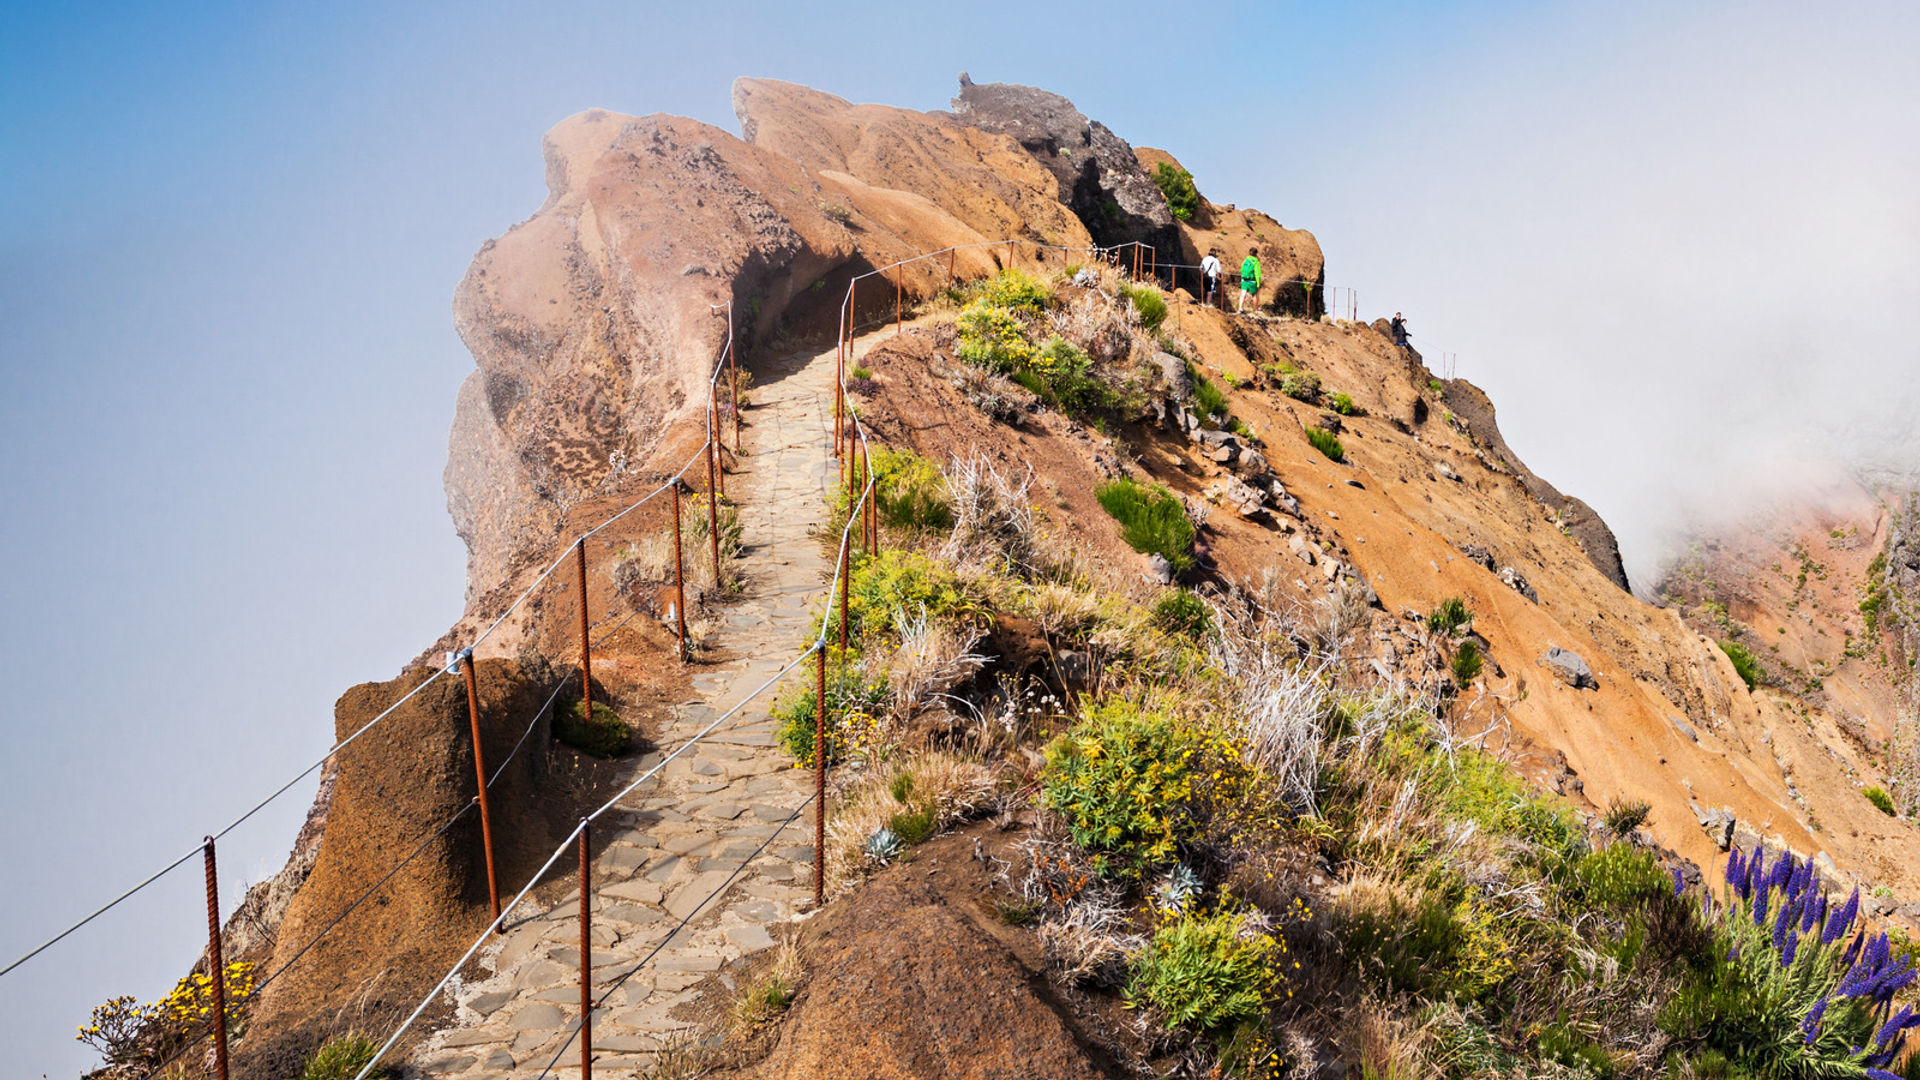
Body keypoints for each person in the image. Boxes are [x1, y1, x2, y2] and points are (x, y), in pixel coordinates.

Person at [1237, 248, 1262, 314]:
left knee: (1243, 294)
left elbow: (1241, 270)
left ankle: (1240, 308)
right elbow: (1257, 273)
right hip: (1252, 281)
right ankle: (1256, 310)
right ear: (1256, 254)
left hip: (1244, 279)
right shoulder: (1255, 262)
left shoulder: (1245, 260)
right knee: (1254, 295)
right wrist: (1258, 283)